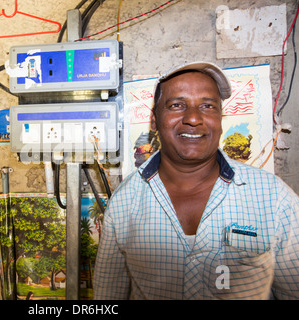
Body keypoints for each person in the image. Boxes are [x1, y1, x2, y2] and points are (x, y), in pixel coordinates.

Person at [93, 61, 299, 299]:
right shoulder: (124, 202)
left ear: (220, 118)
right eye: (177, 105)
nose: (193, 118)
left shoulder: (274, 198)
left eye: (208, 106)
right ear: (154, 121)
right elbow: (108, 295)